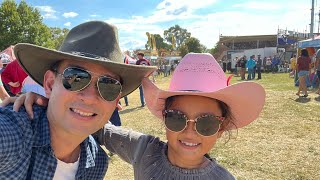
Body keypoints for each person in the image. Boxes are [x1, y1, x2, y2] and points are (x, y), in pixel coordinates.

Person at [9, 53, 266, 179]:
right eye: (177, 118)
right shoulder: (144, 150)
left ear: (221, 128)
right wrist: (45, 101)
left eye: (207, 123)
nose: (190, 132)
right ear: (164, 118)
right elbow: (95, 125)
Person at [0, 21, 156, 179]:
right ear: (50, 84)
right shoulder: (12, 134)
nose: (89, 98)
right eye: (76, 78)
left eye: (108, 85)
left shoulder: (97, 164)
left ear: (116, 102)